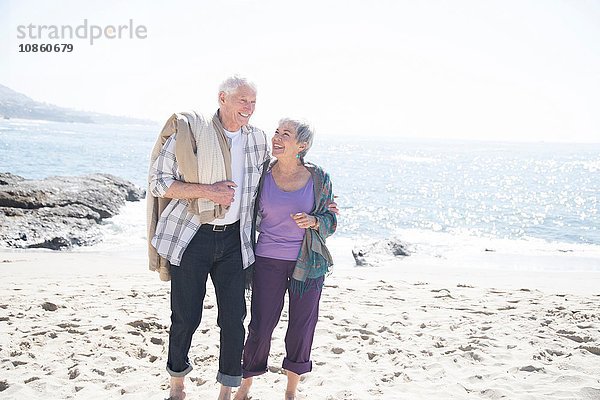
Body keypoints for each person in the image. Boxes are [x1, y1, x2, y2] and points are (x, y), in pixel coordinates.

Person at [147, 76, 269, 400]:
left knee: (234, 320)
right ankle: (177, 384)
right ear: (222, 98)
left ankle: (226, 391)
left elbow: (270, 184)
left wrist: (314, 197)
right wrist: (208, 191)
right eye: (243, 100)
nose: (249, 108)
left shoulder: (258, 139)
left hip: (235, 240)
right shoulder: (190, 133)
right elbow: (159, 183)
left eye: (253, 102)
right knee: (185, 316)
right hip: (194, 236)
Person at [233, 118, 337, 400]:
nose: (276, 137)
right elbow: (241, 204)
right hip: (267, 259)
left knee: (302, 326)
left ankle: (291, 391)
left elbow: (331, 219)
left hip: (309, 264)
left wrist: (314, 220)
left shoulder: (319, 178)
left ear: (301, 145)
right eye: (277, 132)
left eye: (285, 134)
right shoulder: (261, 173)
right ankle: (246, 384)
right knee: (261, 325)